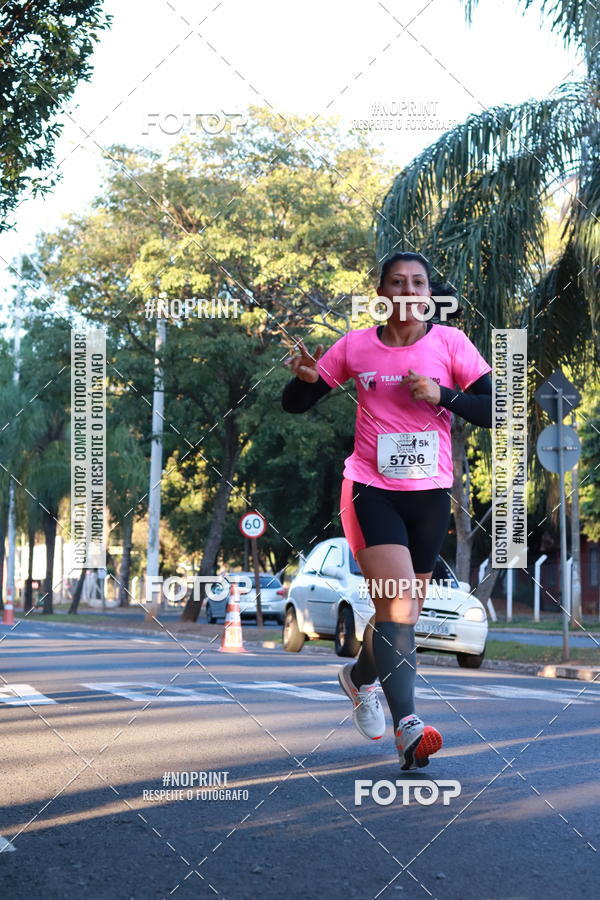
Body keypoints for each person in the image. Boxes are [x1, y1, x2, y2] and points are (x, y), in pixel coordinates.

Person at [281, 251, 492, 770]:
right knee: (398, 605)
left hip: (429, 495)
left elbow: (496, 407)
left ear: (428, 294)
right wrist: (306, 382)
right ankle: (409, 726)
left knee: (401, 612)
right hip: (370, 489)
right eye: (396, 282)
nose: (407, 290)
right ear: (382, 294)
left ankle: (358, 679)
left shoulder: (451, 344)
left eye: (417, 282)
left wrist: (443, 395)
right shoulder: (357, 346)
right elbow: (296, 403)